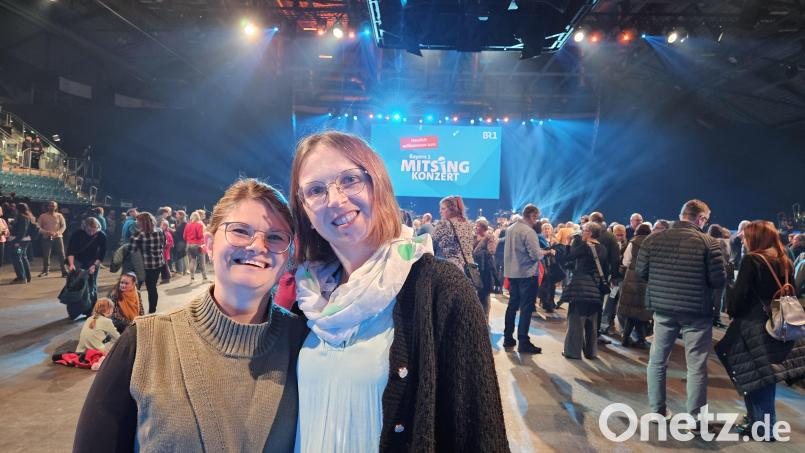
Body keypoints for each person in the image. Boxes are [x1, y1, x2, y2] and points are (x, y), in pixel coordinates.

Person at [290, 131, 508, 452]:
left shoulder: (441, 289)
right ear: (304, 211)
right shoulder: (307, 297)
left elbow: (479, 434)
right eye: (316, 190)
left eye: (350, 180)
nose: (335, 199)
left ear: (378, 184)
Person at [74, 179, 307, 451]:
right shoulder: (144, 342)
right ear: (208, 243)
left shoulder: (304, 344)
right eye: (241, 231)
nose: (258, 245)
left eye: (275, 237)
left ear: (289, 254)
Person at [637, 199, 726, 422]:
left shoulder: (653, 238)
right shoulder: (709, 243)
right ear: (701, 219)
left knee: (657, 361)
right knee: (696, 366)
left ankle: (657, 411)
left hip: (663, 308)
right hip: (697, 312)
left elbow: (641, 271)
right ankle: (696, 419)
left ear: (682, 214)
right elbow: (718, 280)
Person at [717, 220, 805, 438]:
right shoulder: (785, 259)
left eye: (746, 237)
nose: (744, 241)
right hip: (777, 323)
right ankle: (759, 421)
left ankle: (763, 427)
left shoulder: (753, 259)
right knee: (765, 374)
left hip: (753, 324)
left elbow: (739, 296)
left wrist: (731, 307)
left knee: (754, 375)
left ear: (755, 238)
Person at [561, 222, 609, 360]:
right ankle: (591, 352)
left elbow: (567, 258)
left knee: (576, 320)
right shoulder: (603, 249)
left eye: (583, 230)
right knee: (592, 323)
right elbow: (605, 269)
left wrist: (568, 243)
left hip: (580, 287)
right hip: (595, 288)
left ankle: (572, 352)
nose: (582, 232)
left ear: (589, 232)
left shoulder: (584, 246)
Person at [502, 204, 543, 354]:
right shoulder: (528, 231)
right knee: (526, 308)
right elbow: (535, 255)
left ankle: (508, 338)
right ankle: (523, 341)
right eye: (536, 218)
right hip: (527, 274)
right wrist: (544, 253)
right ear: (532, 216)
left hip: (512, 273)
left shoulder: (511, 228)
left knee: (512, 306)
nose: (536, 221)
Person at [617, 223, 653, 348]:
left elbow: (626, 261)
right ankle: (640, 340)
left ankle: (626, 339)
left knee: (631, 312)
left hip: (631, 278)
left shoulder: (632, 242)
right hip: (645, 280)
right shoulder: (652, 243)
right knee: (640, 312)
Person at [127, 213, 165, 313]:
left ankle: (136, 311)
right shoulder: (160, 231)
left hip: (140, 267)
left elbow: (131, 251)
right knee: (152, 288)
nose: (136, 222)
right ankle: (152, 311)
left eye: (138, 220)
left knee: (135, 289)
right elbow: (163, 244)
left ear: (141, 222)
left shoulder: (137, 235)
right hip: (156, 265)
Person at [67, 217, 107, 304]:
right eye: (89, 230)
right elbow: (70, 250)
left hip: (93, 261)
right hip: (77, 260)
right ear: (84, 227)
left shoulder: (101, 235)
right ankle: (75, 308)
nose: (91, 233)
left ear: (98, 227)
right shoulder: (77, 234)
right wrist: (71, 264)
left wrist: (95, 265)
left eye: (94, 230)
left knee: (92, 284)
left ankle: (92, 308)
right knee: (76, 284)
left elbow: (102, 254)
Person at [431, 195, 476, 270]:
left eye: (442, 208)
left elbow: (431, 243)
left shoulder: (444, 224)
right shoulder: (468, 224)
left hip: (450, 268)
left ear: (450, 209)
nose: (440, 211)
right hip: (469, 267)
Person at [473, 217, 499, 320]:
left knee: (485, 292)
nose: (476, 227)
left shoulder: (489, 237)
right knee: (476, 292)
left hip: (485, 268)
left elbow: (491, 251)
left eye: (478, 225)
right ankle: (477, 314)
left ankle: (485, 316)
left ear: (484, 227)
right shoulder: (474, 237)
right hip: (473, 268)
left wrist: (477, 253)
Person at [36, 200, 68, 277]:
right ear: (48, 206)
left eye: (53, 205)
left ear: (56, 207)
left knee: (62, 254)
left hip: (58, 237)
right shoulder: (42, 216)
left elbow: (64, 226)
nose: (51, 207)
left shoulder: (60, 215)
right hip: (46, 237)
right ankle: (45, 271)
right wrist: (46, 232)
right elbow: (37, 227)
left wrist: (58, 233)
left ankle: (64, 271)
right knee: (46, 255)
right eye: (50, 205)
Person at [9, 202, 35, 283]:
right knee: (23, 256)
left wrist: (17, 242)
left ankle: (21, 278)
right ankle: (27, 277)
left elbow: (22, 231)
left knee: (18, 257)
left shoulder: (22, 217)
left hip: (20, 242)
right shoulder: (28, 216)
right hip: (24, 241)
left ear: (18, 209)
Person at [184, 210, 208, 281]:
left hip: (189, 245)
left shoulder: (187, 225)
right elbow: (200, 236)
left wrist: (189, 240)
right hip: (198, 244)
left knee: (192, 261)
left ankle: (192, 277)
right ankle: (204, 278)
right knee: (202, 262)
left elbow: (184, 236)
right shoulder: (199, 225)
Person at [160, 219, 174, 283]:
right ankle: (169, 275)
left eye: (162, 225)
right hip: (164, 251)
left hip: (165, 251)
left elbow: (171, 242)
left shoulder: (167, 233)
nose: (161, 226)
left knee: (165, 264)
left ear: (165, 226)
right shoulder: (165, 233)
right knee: (166, 264)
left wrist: (165, 245)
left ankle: (168, 276)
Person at [0, 205, 9, 270]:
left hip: (1, 241)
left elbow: (7, 231)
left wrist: (5, 232)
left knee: (0, 258)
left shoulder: (3, 220)